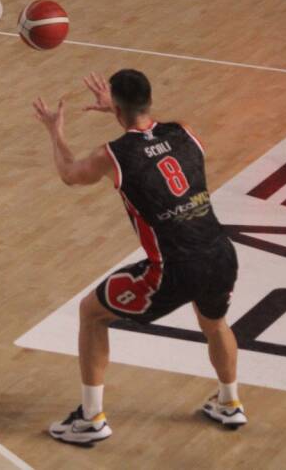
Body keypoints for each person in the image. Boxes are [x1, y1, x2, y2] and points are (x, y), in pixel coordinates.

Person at [33, 70, 246, 445]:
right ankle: (229, 403)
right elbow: (155, 143)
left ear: (114, 105)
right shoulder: (185, 131)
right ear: (148, 99)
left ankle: (90, 419)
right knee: (215, 323)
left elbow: (69, 174)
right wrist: (121, 111)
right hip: (219, 252)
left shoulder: (113, 154)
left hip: (173, 268)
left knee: (91, 313)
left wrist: (55, 130)